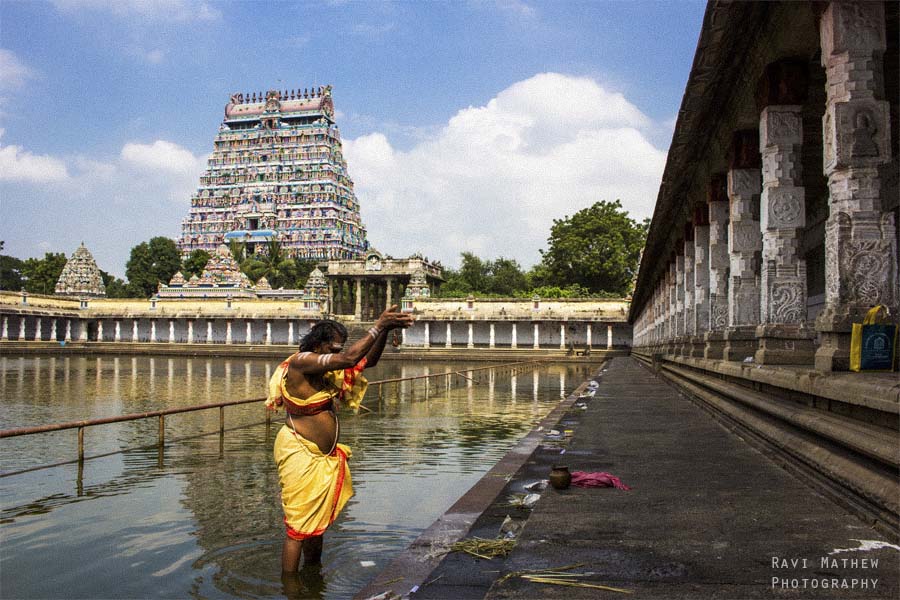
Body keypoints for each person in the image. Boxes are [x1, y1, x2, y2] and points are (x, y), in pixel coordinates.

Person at [266, 306, 413, 573]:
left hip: (321, 458)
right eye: (334, 348)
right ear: (319, 344)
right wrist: (379, 324)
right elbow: (348, 358)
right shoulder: (301, 362)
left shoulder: (325, 371)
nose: (338, 353)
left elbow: (367, 361)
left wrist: (385, 331)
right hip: (300, 453)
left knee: (314, 526)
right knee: (298, 528)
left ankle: (312, 575)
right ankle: (290, 587)